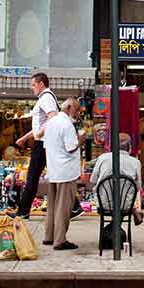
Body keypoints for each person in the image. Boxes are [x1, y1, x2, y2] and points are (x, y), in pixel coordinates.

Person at [12, 73, 58, 219]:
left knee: (32, 177)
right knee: (52, 174)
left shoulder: (46, 98)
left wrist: (39, 133)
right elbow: (40, 125)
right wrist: (25, 138)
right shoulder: (45, 98)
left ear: (41, 84)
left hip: (43, 143)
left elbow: (52, 117)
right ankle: (75, 207)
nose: (32, 88)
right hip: (43, 142)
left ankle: (23, 211)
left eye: (33, 84)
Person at [43, 98, 86, 250]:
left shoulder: (51, 123)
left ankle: (49, 236)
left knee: (53, 206)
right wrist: (81, 140)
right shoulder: (66, 124)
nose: (78, 113)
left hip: (54, 170)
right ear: (68, 107)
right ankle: (60, 240)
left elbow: (46, 146)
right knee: (63, 207)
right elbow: (70, 148)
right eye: (77, 109)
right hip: (66, 172)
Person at [90, 133, 144, 225]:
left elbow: (92, 180)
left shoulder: (102, 158)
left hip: (104, 204)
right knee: (123, 197)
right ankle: (118, 227)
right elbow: (138, 186)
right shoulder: (135, 162)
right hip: (125, 205)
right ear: (129, 147)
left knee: (114, 196)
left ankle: (111, 231)